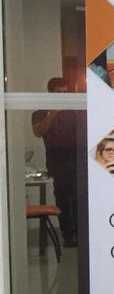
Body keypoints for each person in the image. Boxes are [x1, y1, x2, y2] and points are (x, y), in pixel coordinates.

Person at [32, 77, 80, 245]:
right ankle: (68, 236)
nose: (63, 95)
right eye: (59, 92)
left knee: (79, 199)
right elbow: (38, 132)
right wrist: (52, 112)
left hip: (77, 160)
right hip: (57, 162)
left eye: (66, 92)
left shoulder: (74, 111)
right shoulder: (40, 112)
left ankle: (80, 235)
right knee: (62, 199)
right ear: (50, 93)